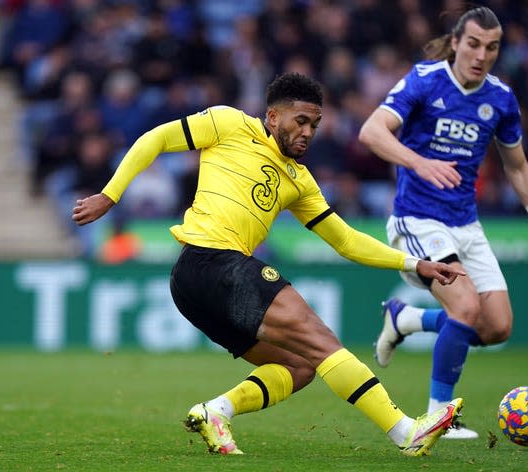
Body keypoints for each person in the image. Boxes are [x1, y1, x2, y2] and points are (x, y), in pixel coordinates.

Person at [72, 72, 465, 457]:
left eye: (315, 124)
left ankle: (215, 412)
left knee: (300, 365)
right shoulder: (228, 123)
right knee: (322, 340)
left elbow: (345, 241)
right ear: (273, 117)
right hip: (209, 261)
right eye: (301, 121)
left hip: (195, 285)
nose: (308, 132)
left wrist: (415, 263)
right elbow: (156, 138)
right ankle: (404, 431)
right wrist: (110, 195)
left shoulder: (300, 180)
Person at [358, 7, 528, 440]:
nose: (481, 55)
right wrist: (420, 162)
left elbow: (518, 168)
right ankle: (439, 416)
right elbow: (372, 131)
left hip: (466, 226)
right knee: (466, 307)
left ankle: (406, 320)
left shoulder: (501, 99)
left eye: (491, 47)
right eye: (473, 44)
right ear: (456, 42)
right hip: (416, 218)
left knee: (495, 327)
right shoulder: (425, 79)